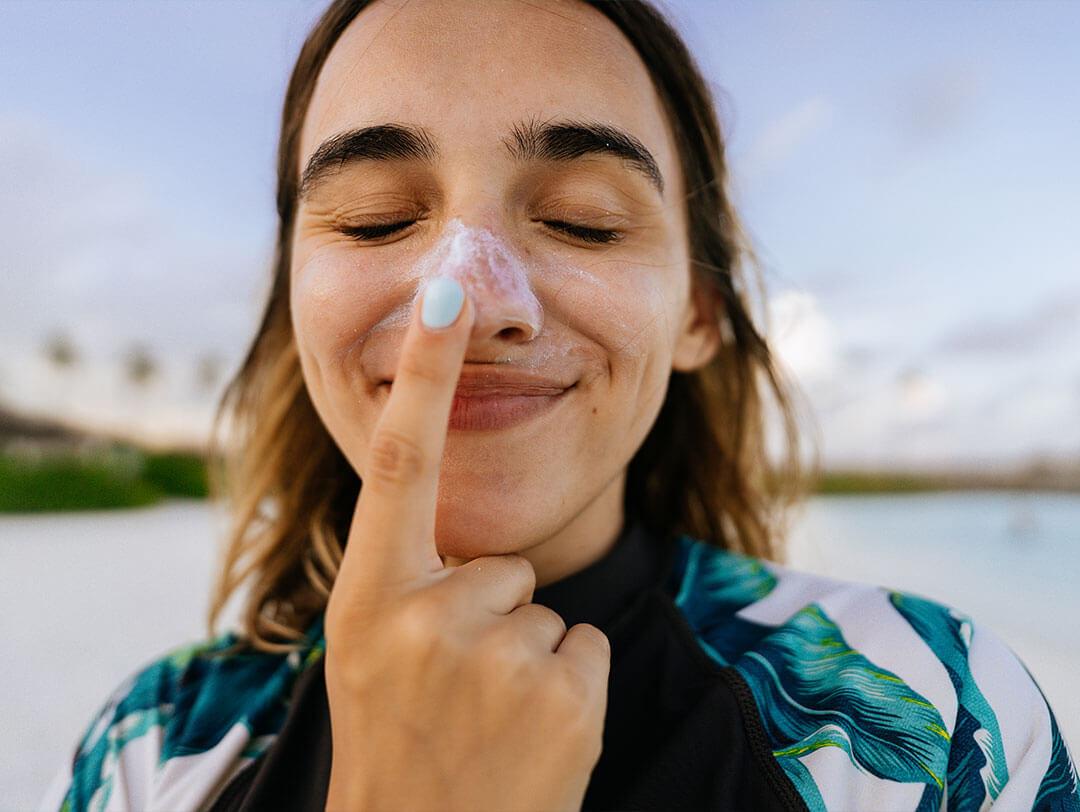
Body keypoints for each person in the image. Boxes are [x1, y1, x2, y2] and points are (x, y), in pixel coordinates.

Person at [39, 0, 1079, 810]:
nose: (477, 298)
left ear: (698, 314)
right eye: (374, 219)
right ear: (292, 310)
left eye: (584, 222)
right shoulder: (150, 745)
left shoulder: (936, 720)